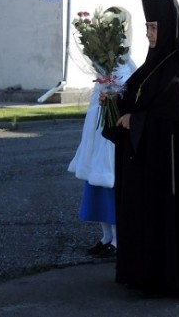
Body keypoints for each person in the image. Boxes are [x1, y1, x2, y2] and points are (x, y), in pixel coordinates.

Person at [102, 0, 179, 300]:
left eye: (154, 27)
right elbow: (136, 95)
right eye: (147, 26)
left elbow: (174, 114)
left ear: (169, 27)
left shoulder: (178, 69)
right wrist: (114, 102)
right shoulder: (152, 64)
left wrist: (136, 120)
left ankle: (165, 276)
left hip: (167, 167)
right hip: (146, 161)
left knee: (164, 218)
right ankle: (142, 272)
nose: (148, 33)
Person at [67, 56, 136, 259]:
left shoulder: (124, 73)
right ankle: (106, 236)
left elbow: (125, 100)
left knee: (111, 188)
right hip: (97, 140)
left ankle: (118, 239)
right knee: (96, 187)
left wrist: (111, 92)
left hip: (111, 143)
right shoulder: (102, 75)